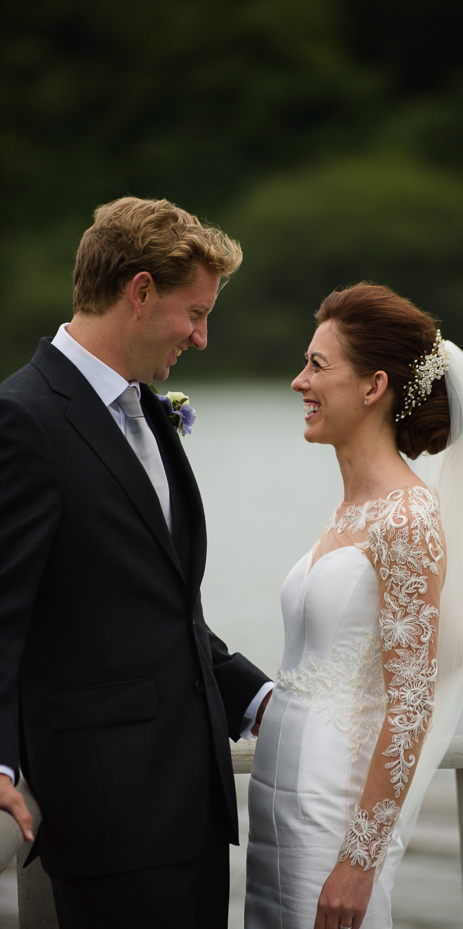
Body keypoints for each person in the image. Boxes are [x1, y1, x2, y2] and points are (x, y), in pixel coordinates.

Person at [0, 196, 272, 929]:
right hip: (109, 815)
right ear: (141, 290)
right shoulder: (23, 417)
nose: (203, 337)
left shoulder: (149, 411)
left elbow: (157, 603)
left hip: (193, 806)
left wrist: (256, 698)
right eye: (196, 312)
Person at [245, 283, 463, 929]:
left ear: (374, 385)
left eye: (318, 366)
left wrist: (359, 860)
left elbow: (410, 703)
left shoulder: (408, 517)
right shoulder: (349, 512)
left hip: (334, 806)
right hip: (276, 801)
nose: (300, 381)